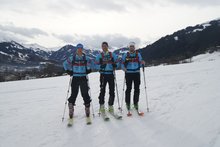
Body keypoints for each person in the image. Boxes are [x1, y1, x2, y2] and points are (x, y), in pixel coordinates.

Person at [63, 43, 92, 124]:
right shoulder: (73, 58)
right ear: (76, 49)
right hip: (75, 77)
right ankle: (71, 109)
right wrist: (68, 71)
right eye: (78, 48)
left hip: (83, 77)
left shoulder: (86, 58)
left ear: (82, 49)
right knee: (74, 94)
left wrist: (89, 69)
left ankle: (87, 108)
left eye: (81, 48)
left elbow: (91, 63)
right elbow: (64, 63)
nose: (79, 49)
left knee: (85, 93)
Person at [121, 42, 145, 113]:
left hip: (137, 73)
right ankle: (128, 103)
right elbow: (122, 63)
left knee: (137, 88)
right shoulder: (126, 55)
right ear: (129, 47)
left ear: (134, 47)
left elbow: (140, 62)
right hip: (128, 73)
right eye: (130, 46)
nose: (131, 48)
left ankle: (135, 103)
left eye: (133, 46)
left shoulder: (138, 54)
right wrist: (123, 68)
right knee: (128, 88)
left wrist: (143, 63)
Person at [95, 42, 118, 115]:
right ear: (101, 47)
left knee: (112, 90)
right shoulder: (99, 55)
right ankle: (102, 106)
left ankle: (110, 105)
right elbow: (95, 65)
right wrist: (100, 67)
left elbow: (117, 62)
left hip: (111, 74)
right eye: (103, 46)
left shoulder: (112, 54)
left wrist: (115, 65)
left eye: (105, 46)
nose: (104, 47)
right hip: (103, 75)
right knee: (102, 90)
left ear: (107, 46)